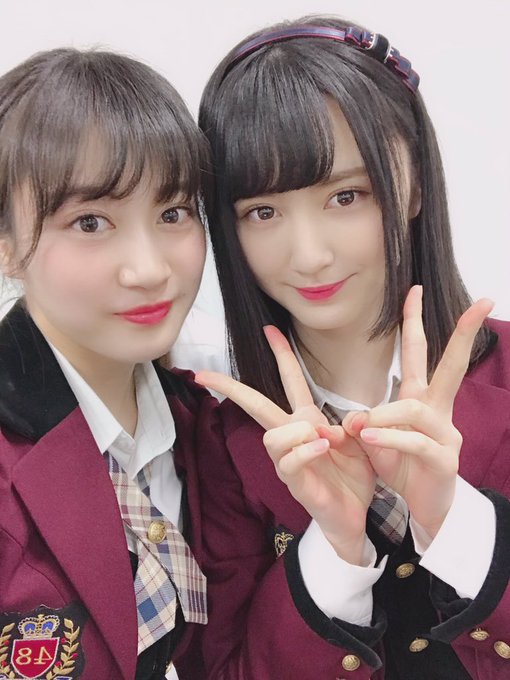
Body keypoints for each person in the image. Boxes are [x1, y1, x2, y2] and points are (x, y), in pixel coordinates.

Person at [192, 15, 510, 680]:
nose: (310, 255)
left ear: (413, 183)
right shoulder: (216, 446)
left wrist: (454, 519)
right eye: (262, 211)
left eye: (346, 195)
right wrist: (335, 549)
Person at [0, 48, 216, 680]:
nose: (148, 269)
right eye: (90, 222)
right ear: (6, 244)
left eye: (173, 213)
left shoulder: (211, 420)